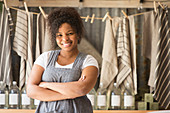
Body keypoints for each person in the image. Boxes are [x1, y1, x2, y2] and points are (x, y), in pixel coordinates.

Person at [26, 7, 99, 113]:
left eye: (69, 33)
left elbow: (81, 89)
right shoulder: (45, 58)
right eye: (59, 35)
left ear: (78, 34)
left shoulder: (88, 61)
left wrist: (46, 85)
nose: (65, 39)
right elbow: (31, 91)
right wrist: (72, 92)